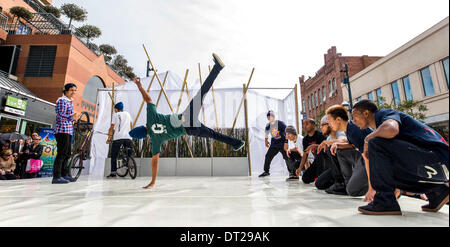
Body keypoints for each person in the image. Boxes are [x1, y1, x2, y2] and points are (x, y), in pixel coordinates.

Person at [130, 53, 245, 189]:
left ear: (144, 136)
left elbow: (155, 162)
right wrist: (139, 86)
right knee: (202, 93)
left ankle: (236, 143)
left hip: (189, 130)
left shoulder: (155, 141)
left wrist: (153, 181)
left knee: (213, 135)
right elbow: (148, 99)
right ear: (142, 127)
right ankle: (217, 68)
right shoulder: (151, 118)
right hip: (185, 118)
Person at [350, 100, 449, 215]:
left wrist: (367, 139)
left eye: (355, 116)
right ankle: (438, 191)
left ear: (366, 113)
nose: (354, 121)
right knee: (386, 164)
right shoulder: (380, 126)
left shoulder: (384, 113)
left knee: (375, 143)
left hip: (436, 157)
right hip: (439, 162)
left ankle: (385, 201)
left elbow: (391, 129)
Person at [326, 105, 371, 196]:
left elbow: (367, 156)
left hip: (371, 159)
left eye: (330, 121)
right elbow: (353, 145)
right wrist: (337, 144)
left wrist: (371, 186)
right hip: (361, 156)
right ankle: (347, 183)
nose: (329, 124)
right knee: (340, 152)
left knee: (352, 191)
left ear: (338, 120)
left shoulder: (354, 129)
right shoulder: (349, 128)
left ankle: (378, 185)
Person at [52, 83, 78, 184]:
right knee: (62, 153)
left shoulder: (69, 101)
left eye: (75, 90)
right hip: (62, 130)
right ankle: (57, 176)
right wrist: (72, 116)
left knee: (67, 154)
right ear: (66, 90)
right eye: (71, 90)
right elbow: (60, 114)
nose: (73, 92)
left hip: (68, 130)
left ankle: (64, 175)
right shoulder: (62, 100)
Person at [295, 118, 328, 185]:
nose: (304, 126)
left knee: (318, 151)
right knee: (305, 178)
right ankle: (319, 177)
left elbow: (327, 146)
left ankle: (321, 176)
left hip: (325, 161)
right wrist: (300, 167)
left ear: (313, 125)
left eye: (307, 124)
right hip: (317, 161)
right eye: (303, 124)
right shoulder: (305, 139)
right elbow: (305, 154)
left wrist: (315, 146)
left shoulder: (320, 135)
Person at [106, 102, 133, 178]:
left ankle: (113, 173)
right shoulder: (128, 114)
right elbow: (131, 126)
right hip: (128, 137)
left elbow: (111, 127)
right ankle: (131, 167)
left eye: (115, 109)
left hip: (118, 137)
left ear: (116, 109)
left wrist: (109, 138)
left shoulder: (115, 115)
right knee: (129, 154)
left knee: (114, 155)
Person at [258, 110, 289, 178]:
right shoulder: (268, 125)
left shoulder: (280, 123)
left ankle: (292, 172)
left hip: (282, 144)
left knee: (287, 157)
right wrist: (266, 141)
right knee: (268, 156)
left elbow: (287, 132)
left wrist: (286, 142)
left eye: (270, 116)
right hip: (274, 145)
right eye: (268, 117)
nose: (269, 118)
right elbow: (266, 133)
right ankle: (266, 171)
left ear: (273, 117)